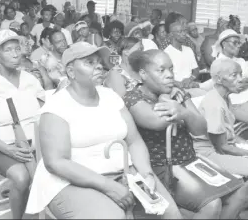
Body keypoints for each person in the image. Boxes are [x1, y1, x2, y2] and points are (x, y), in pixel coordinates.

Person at [26, 42, 182, 219]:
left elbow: (134, 141)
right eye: (89, 62)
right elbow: (56, 163)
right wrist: (109, 186)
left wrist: (146, 173)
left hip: (123, 173)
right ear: (70, 72)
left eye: (99, 61)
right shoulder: (57, 107)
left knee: (171, 214)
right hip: (71, 182)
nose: (99, 66)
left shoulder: (110, 96)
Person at [125, 50, 248, 219]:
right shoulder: (133, 99)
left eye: (171, 69)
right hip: (162, 166)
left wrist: (184, 113)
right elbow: (158, 122)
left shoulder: (177, 92)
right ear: (143, 74)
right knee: (212, 204)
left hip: (189, 160)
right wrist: (168, 98)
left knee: (239, 191)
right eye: (161, 70)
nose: (169, 75)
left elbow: (201, 128)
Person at [0, 30, 45, 219]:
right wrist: (9, 150)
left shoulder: (30, 79)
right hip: (1, 148)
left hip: (36, 143)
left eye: (17, 49)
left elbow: (46, 110)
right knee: (21, 178)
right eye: (8, 50)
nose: (15, 54)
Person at [196, 57, 248, 211]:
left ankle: (234, 203)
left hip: (220, 149)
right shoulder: (214, 104)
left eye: (240, 74)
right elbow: (223, 148)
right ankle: (231, 210)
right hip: (208, 155)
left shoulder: (224, 98)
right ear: (218, 79)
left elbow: (231, 137)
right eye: (234, 75)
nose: (240, 79)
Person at [164, 21, 206, 97]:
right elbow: (165, 77)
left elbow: (196, 70)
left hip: (190, 86)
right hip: (175, 89)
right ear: (171, 34)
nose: (184, 34)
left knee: (206, 95)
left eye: (184, 31)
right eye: (180, 32)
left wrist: (190, 79)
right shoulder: (166, 53)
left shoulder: (188, 50)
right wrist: (178, 83)